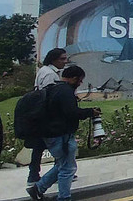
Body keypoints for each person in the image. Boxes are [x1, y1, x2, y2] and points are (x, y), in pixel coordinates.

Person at [26, 66, 99, 201]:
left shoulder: (54, 88)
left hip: (52, 134)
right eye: (80, 80)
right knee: (68, 169)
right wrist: (90, 112)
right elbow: (71, 113)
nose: (80, 83)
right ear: (74, 78)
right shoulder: (66, 92)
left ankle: (37, 189)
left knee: (63, 164)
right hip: (61, 135)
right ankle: (64, 198)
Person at [27, 48, 69, 188]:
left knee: (39, 146)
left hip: (40, 114)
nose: (65, 61)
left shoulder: (44, 71)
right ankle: (59, 172)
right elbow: (50, 96)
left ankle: (33, 175)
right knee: (59, 146)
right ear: (53, 59)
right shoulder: (50, 75)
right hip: (48, 116)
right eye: (62, 59)